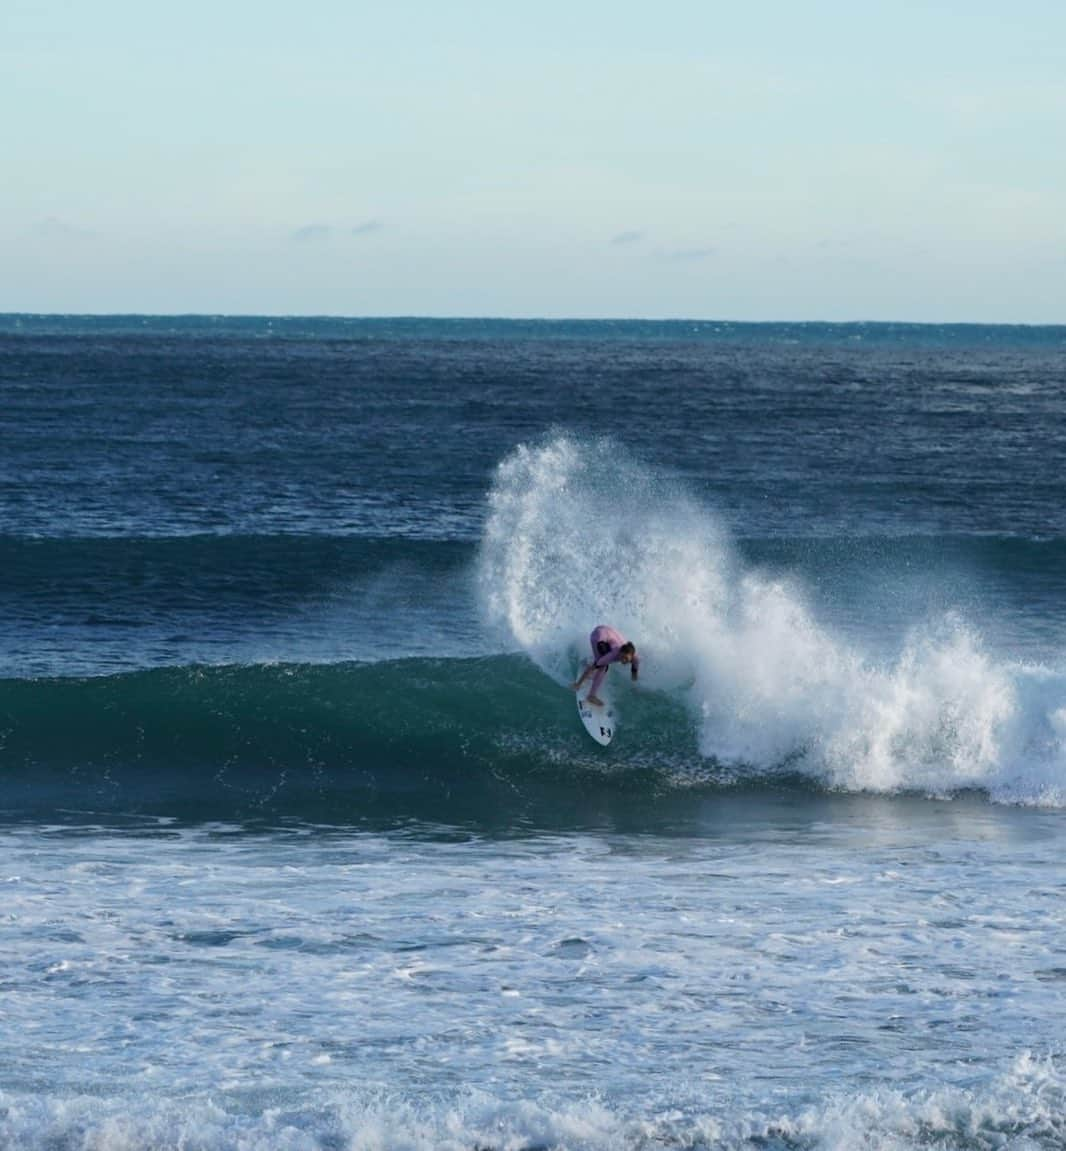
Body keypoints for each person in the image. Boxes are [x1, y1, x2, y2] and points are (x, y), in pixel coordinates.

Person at [571, 625, 639, 707]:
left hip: (607, 630)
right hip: (597, 636)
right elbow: (593, 668)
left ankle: (589, 662)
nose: (623, 660)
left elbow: (634, 673)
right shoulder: (613, 654)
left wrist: (634, 685)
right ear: (620, 652)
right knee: (603, 666)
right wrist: (578, 684)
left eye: (626, 659)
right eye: (622, 657)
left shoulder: (635, 659)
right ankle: (591, 696)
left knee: (602, 659)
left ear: (632, 657)